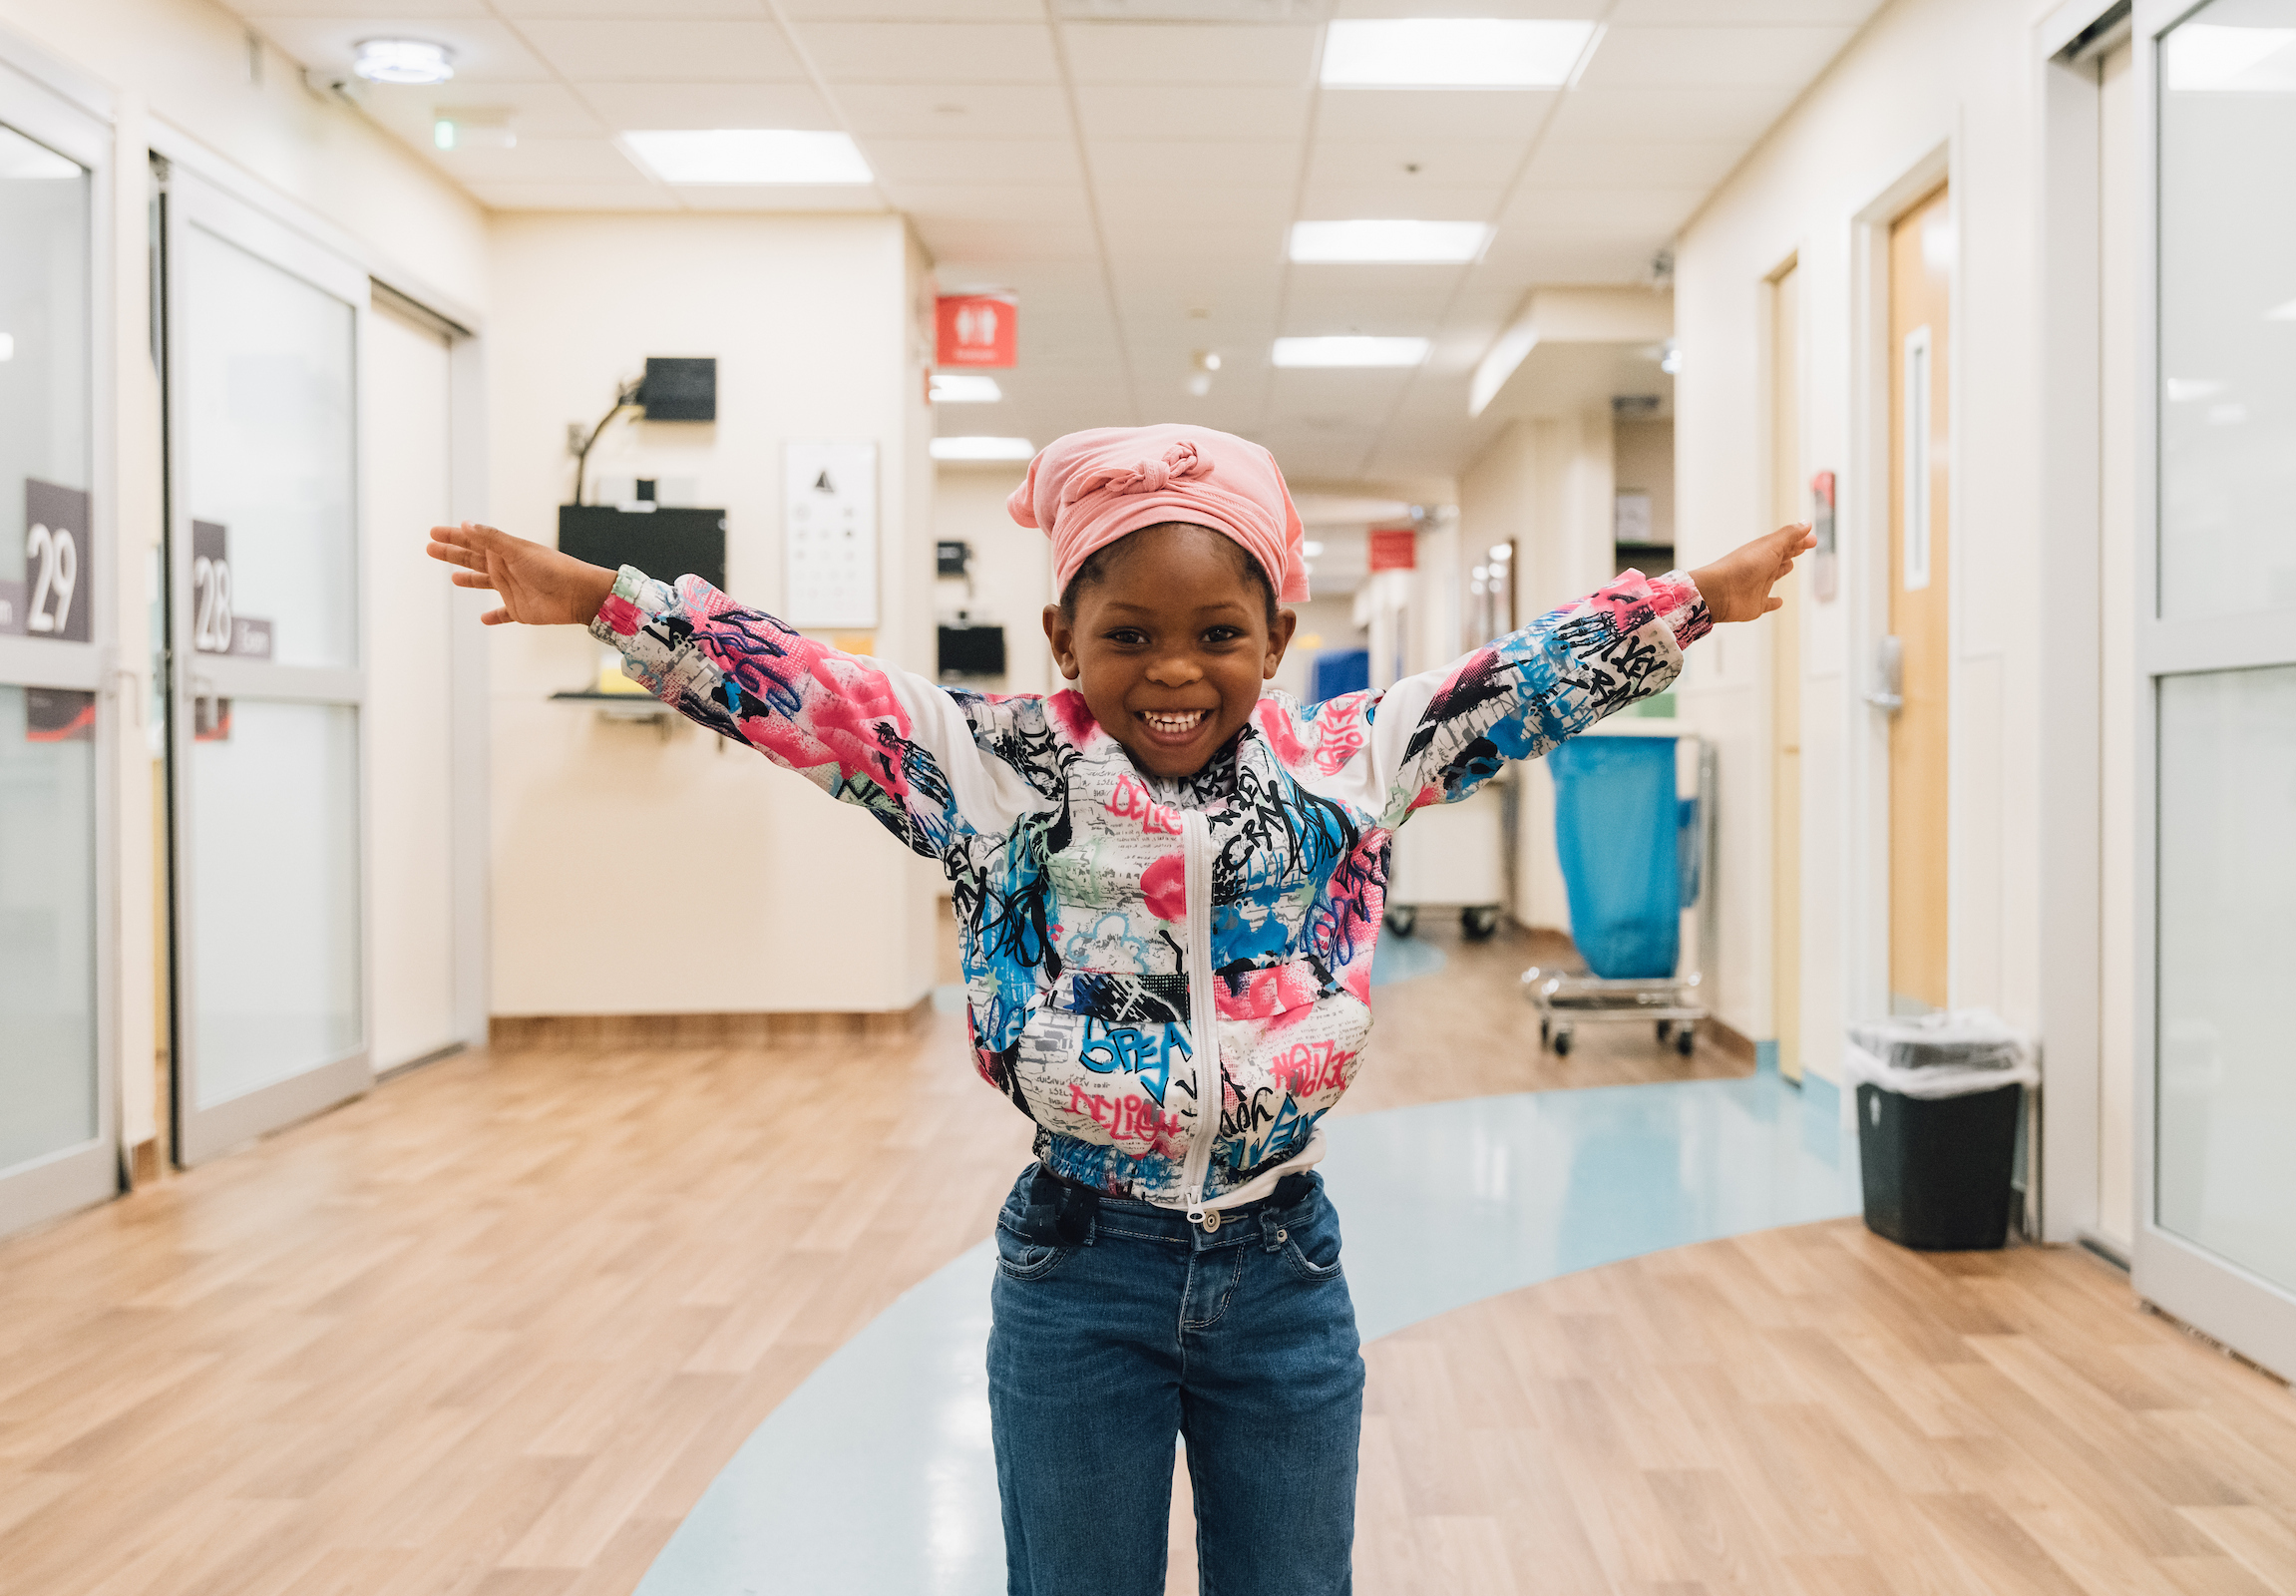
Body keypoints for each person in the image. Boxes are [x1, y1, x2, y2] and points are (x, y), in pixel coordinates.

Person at [425, 423, 1811, 1596]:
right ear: (1060, 638)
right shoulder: (998, 769)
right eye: (1127, 635)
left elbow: (1511, 685)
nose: (1172, 671)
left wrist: (1685, 605)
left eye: (1218, 633)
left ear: (1278, 635)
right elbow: (808, 694)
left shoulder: (1345, 761)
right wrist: (614, 604)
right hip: (1079, 1275)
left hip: (1286, 1276)